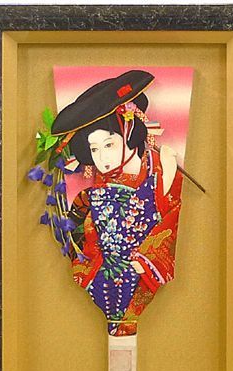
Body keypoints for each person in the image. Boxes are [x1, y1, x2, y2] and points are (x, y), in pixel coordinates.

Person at [51, 70, 183, 336]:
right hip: (104, 274)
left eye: (109, 145)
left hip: (141, 271)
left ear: (129, 131)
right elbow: (83, 234)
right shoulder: (94, 192)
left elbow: (169, 217)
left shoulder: (160, 169)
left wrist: (144, 261)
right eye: (94, 149)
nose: (102, 158)